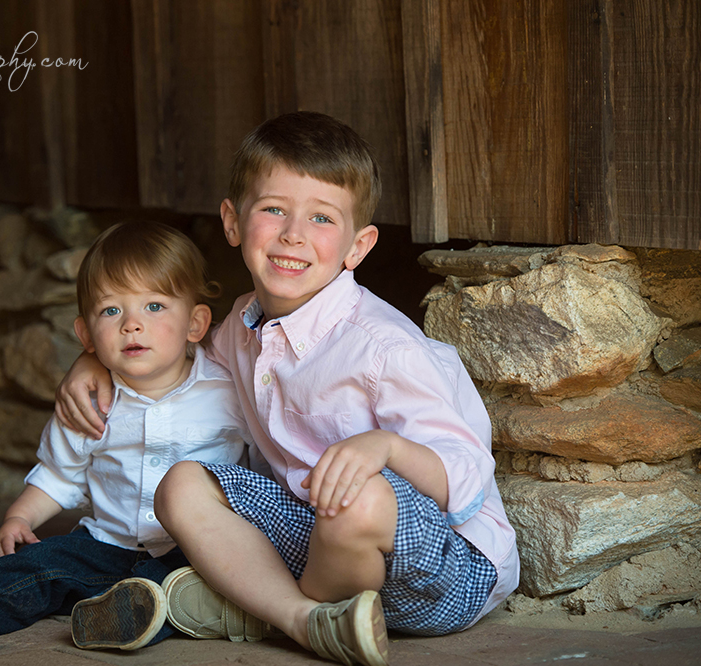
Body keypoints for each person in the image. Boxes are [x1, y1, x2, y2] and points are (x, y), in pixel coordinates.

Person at [55, 112, 520, 666]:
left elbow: (465, 477)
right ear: (232, 222)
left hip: (442, 570)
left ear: (358, 245)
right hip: (315, 542)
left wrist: (386, 448)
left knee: (359, 496)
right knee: (180, 485)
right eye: (274, 209)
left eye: (322, 218)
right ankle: (304, 620)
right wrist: (93, 362)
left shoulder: (383, 347)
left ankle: (255, 610)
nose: (293, 234)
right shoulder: (241, 328)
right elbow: (176, 360)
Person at [0, 221, 255, 651]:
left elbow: (261, 463)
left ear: (196, 323)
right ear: (85, 335)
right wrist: (19, 519)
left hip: (191, 549)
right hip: (105, 544)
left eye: (155, 306)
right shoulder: (87, 403)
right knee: (40, 563)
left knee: (182, 585)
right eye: (111, 311)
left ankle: (128, 614)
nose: (132, 325)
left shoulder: (228, 392)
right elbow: (58, 475)